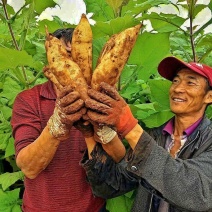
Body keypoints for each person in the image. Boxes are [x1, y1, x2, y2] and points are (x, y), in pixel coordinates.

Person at [10, 28, 125, 212]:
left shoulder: (100, 99)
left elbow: (119, 158)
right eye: (63, 56)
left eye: (78, 57)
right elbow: (28, 167)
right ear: (51, 59)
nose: (71, 65)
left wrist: (101, 128)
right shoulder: (29, 100)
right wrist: (57, 124)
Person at [81, 56, 212, 211]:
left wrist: (130, 127)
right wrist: (89, 134)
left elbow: (197, 194)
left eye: (190, 82)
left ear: (209, 97)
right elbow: (112, 185)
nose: (177, 88)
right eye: (176, 81)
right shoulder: (155, 136)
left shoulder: (208, 141)